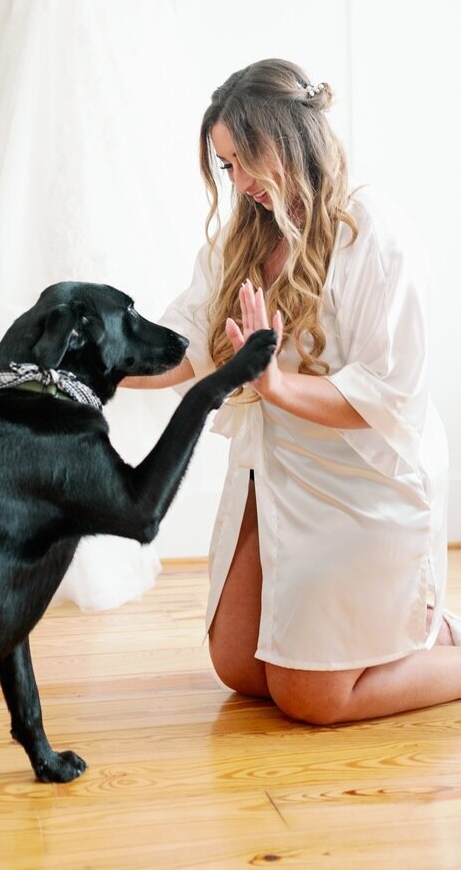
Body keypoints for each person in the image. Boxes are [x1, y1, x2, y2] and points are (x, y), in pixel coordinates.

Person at [123, 57, 454, 725]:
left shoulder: (375, 237)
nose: (238, 183)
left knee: (312, 697)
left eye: (245, 160)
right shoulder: (243, 240)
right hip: (273, 474)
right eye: (227, 168)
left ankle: (429, 634)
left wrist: (275, 385)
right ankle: (394, 631)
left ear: (288, 139)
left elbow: (389, 397)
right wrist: (86, 365)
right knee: (240, 668)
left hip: (362, 483)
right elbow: (180, 343)